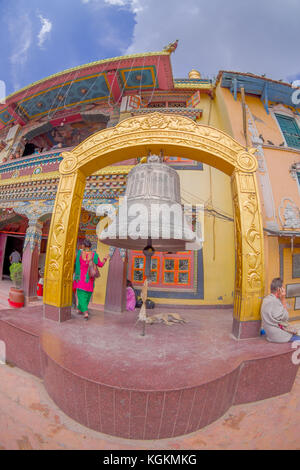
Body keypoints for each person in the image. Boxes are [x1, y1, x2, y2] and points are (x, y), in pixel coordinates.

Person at [74, 239, 108, 320]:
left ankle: (85, 312)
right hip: (90, 279)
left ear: (83, 246)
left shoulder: (79, 253)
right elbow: (100, 264)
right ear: (90, 246)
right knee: (87, 295)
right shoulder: (94, 255)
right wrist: (105, 259)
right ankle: (79, 309)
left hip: (81, 278)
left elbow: (76, 263)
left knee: (81, 295)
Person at [261, 277, 300, 343]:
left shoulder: (267, 299)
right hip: (277, 335)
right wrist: (283, 299)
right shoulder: (274, 301)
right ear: (279, 289)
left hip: (270, 333)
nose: (284, 290)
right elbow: (286, 318)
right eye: (283, 288)